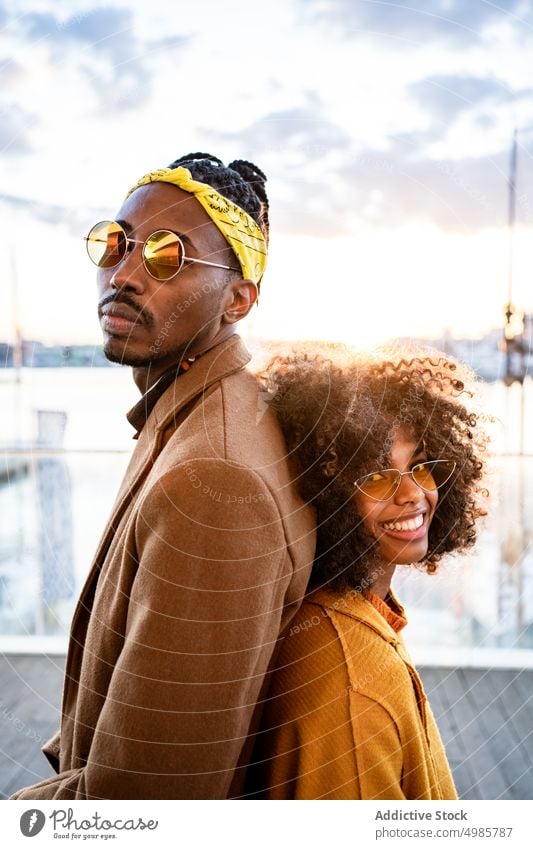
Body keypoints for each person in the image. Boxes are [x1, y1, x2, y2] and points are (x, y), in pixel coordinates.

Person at [11, 153, 315, 800]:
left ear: (238, 299)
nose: (123, 274)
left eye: (167, 257)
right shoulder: (189, 412)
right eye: (114, 244)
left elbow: (146, 802)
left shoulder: (216, 481)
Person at [245, 350, 488, 799]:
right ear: (323, 492)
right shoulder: (352, 677)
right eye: (376, 477)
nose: (413, 494)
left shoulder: (354, 617)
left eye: (423, 466)